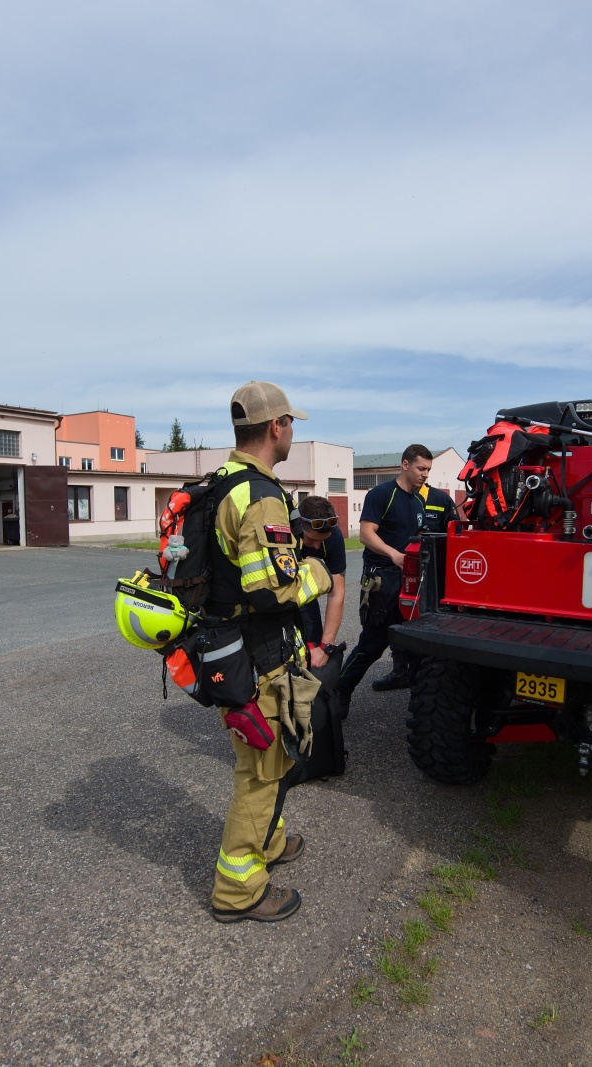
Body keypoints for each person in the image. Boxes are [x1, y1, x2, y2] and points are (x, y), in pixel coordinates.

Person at [205, 381, 332, 924]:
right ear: (275, 426)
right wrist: (318, 573)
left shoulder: (221, 484)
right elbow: (272, 589)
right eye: (290, 424)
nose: (292, 432)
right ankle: (238, 890)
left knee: (272, 761)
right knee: (259, 773)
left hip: (236, 650)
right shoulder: (259, 495)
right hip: (260, 657)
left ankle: (271, 841)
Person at [338, 445, 458, 709]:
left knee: (415, 646)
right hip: (381, 579)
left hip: (409, 582)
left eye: (428, 469)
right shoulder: (381, 494)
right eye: (421, 468)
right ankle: (338, 694)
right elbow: (366, 534)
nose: (425, 474)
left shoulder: (418, 501)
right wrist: (394, 555)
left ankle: (421, 709)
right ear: (405, 465)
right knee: (372, 644)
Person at [293, 495, 347, 664]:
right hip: (275, 597)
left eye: (321, 541)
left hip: (304, 595)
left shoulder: (334, 536)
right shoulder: (285, 535)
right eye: (312, 540)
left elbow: (337, 593)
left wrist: (325, 647)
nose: (317, 547)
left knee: (315, 648)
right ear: (298, 526)